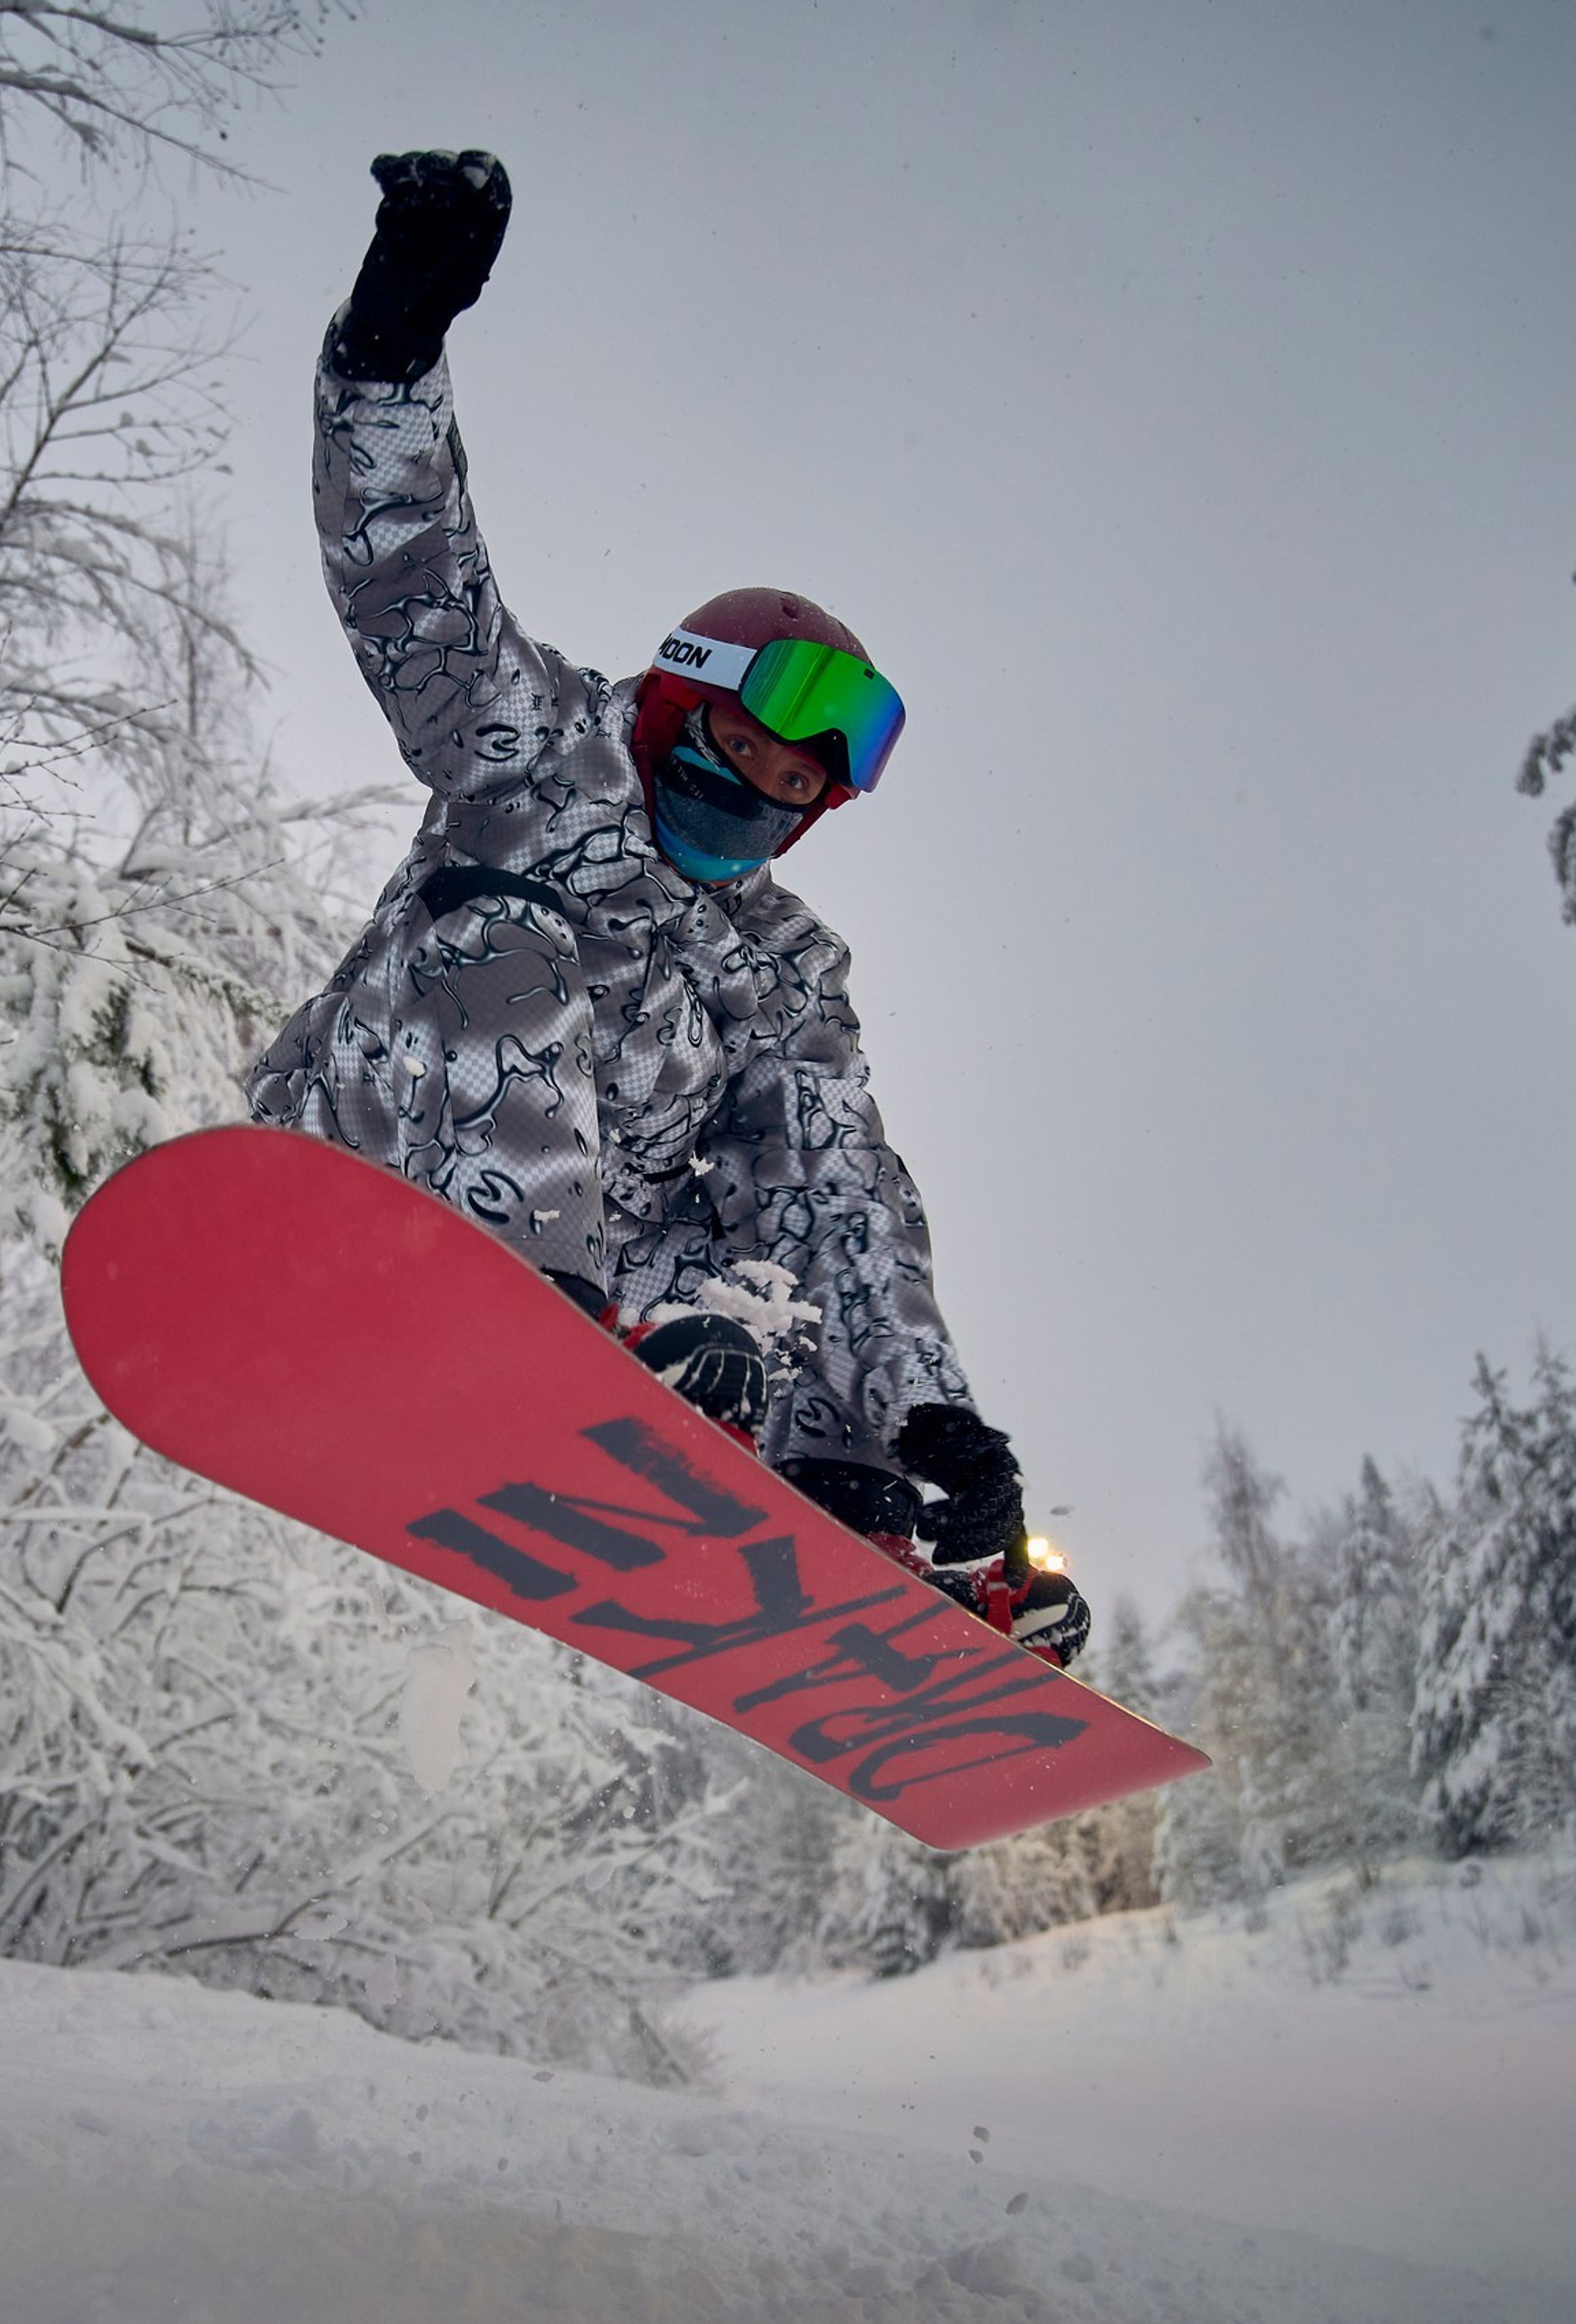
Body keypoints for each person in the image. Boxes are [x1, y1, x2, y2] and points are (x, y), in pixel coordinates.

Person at [247, 152, 1088, 1667]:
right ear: (680, 707)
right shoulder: (536, 750)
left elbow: (840, 1192)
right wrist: (389, 349)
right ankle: (541, 1326)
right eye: (743, 748)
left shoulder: (777, 960)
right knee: (506, 936)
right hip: (376, 1151)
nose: (759, 794)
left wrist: (933, 1417)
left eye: (794, 785)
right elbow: (415, 589)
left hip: (610, 1286)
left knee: (795, 1190)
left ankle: (871, 1517)